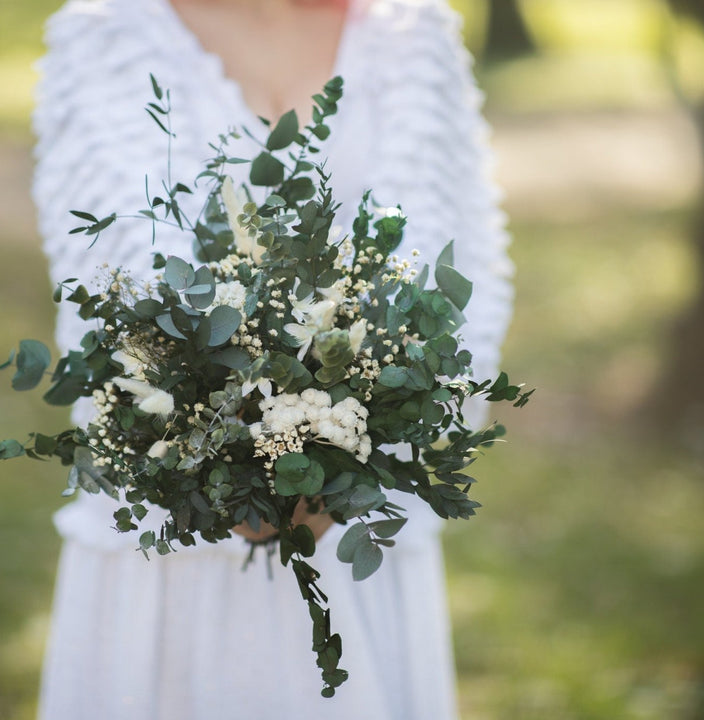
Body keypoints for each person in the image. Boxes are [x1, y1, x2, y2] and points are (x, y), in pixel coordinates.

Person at [31, 0, 513, 717]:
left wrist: (351, 464)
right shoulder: (105, 32)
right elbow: (106, 283)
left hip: (365, 537)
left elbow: (464, 275)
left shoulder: (414, 32)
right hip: (171, 543)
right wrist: (226, 469)